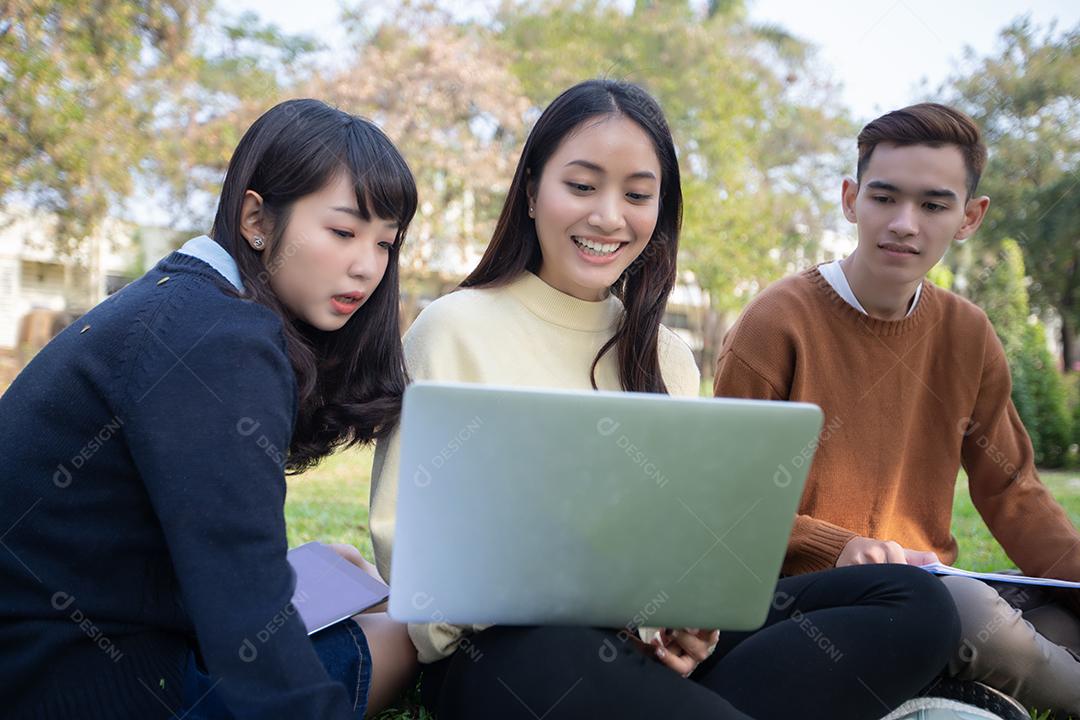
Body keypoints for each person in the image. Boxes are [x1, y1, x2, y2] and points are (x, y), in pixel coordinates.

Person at [368, 79, 960, 720]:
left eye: (637, 195)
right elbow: (406, 544)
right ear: (533, 190)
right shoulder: (455, 327)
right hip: (510, 654)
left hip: (640, 652)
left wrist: (684, 624)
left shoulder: (668, 357)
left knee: (914, 602)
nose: (608, 217)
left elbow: (684, 552)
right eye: (582, 186)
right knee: (565, 653)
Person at [0, 99, 418, 719]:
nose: (367, 267)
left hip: (51, 637)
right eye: (342, 231)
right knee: (406, 634)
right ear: (256, 217)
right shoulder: (221, 339)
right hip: (81, 682)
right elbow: (240, 599)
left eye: (385, 243)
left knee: (343, 568)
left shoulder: (177, 298)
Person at [713, 102, 1080, 717]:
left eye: (934, 206)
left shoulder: (968, 333)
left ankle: (950, 688)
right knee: (972, 614)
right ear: (851, 198)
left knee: (1051, 617)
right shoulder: (776, 323)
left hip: (933, 588)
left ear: (969, 217)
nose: (904, 223)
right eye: (885, 199)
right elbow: (725, 504)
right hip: (810, 601)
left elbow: (1013, 492)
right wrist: (840, 547)